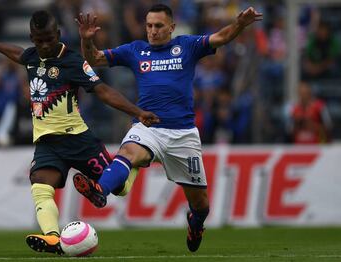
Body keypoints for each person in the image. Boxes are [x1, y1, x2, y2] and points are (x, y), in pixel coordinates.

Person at [72, 4, 262, 252]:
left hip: (183, 135)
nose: (152, 31)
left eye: (159, 26)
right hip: (147, 126)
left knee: (202, 205)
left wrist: (239, 24)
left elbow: (222, 37)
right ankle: (100, 190)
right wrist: (87, 40)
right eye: (149, 26)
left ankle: (196, 223)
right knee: (128, 152)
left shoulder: (187, 46)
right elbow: (93, 58)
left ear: (171, 27)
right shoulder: (135, 50)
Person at [0, 10, 159, 255]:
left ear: (58, 34)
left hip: (78, 140)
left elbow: (102, 91)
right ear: (32, 38)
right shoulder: (32, 57)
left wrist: (137, 111)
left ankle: (134, 162)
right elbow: (18, 53)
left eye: (50, 38)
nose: (45, 45)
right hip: (48, 144)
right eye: (39, 41)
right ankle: (52, 238)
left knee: (120, 187)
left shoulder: (72, 61)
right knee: (39, 185)